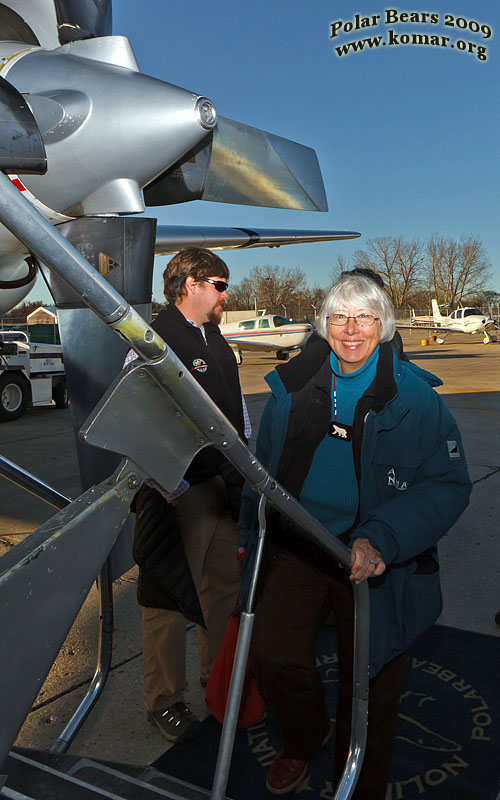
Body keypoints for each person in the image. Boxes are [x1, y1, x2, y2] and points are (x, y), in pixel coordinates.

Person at [238, 272, 472, 797]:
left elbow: (448, 484)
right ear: (323, 323)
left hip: (374, 558)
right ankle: (304, 737)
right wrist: (247, 532)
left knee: (369, 680)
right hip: (301, 546)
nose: (351, 329)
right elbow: (263, 469)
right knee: (272, 650)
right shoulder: (291, 389)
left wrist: (382, 537)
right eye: (340, 316)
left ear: (383, 326)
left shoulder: (414, 400)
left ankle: (361, 777)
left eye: (365, 317)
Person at [130, 247, 249, 744]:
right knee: (165, 596)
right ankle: (165, 702)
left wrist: (247, 463)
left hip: (220, 486)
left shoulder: (215, 339)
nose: (226, 294)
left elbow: (236, 410)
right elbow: (136, 417)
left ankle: (218, 684)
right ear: (191, 284)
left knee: (220, 591)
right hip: (172, 492)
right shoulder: (152, 340)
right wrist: (170, 485)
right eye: (220, 285)